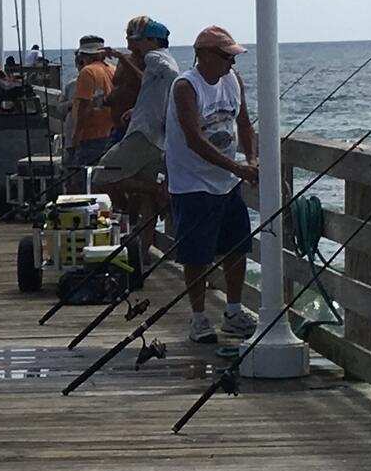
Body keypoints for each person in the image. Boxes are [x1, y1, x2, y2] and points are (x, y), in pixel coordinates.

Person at [166, 25, 261, 344]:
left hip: (227, 182)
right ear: (203, 55)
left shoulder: (233, 81)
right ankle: (198, 317)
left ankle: (234, 311)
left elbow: (244, 122)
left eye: (232, 57)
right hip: (192, 182)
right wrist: (236, 166)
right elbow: (193, 139)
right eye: (224, 57)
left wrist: (251, 159)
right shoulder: (185, 86)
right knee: (197, 255)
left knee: (237, 247)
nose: (230, 64)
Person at [97, 19, 181, 263]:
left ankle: (159, 190)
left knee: (101, 174)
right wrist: (138, 109)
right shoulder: (165, 58)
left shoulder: (155, 57)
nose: (137, 44)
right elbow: (158, 90)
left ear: (152, 41)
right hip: (156, 137)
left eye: (141, 39)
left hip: (142, 135)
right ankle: (142, 255)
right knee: (145, 198)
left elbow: (172, 76)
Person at [65, 35, 118, 189]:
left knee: (82, 182)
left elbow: (84, 105)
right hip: (109, 132)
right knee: (104, 179)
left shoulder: (88, 72)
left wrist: (76, 135)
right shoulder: (112, 70)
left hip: (90, 136)